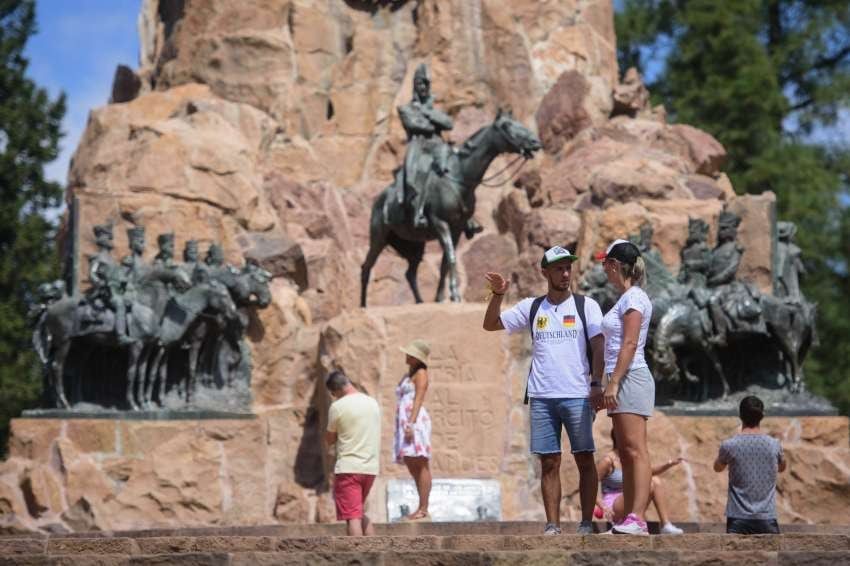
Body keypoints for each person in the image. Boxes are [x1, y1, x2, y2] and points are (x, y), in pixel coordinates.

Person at [483, 245, 604, 535]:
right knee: (549, 461)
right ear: (545, 272)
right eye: (558, 269)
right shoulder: (533, 307)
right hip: (542, 396)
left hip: (577, 394)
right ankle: (552, 526)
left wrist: (597, 383)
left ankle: (586, 523)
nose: (565, 274)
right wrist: (498, 295)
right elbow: (490, 324)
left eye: (568, 268)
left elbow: (599, 346)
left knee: (584, 457)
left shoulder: (586, 305)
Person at [599, 239, 655, 535]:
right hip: (622, 378)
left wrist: (614, 382)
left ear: (614, 265)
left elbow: (630, 343)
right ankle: (629, 518)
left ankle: (638, 518)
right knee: (627, 451)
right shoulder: (626, 297)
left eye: (605, 263)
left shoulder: (633, 297)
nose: (603, 269)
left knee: (636, 451)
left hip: (630, 377)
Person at [714, 395, 786, 534]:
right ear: (761, 416)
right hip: (767, 518)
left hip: (738, 519)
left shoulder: (729, 445)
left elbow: (717, 468)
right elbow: (782, 468)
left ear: (740, 416)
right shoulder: (774, 444)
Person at [595, 429, 684, 534]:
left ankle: (666, 525)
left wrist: (669, 464)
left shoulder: (631, 458)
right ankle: (631, 521)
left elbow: (648, 473)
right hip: (614, 506)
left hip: (628, 497)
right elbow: (591, 485)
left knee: (655, 480)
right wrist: (602, 506)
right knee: (650, 482)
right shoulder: (608, 461)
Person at [325, 370, 381, 536]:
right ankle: (374, 549)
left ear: (336, 390)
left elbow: (330, 439)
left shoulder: (337, 407)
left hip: (349, 468)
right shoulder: (372, 403)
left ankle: (357, 552)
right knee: (358, 512)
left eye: (333, 394)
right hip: (370, 468)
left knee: (352, 517)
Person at [394, 339, 433, 521]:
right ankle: (420, 504)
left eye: (410, 354)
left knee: (420, 461)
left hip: (415, 420)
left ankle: (423, 508)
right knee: (410, 460)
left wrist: (411, 423)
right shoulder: (408, 374)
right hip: (404, 420)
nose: (407, 356)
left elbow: (419, 398)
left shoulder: (421, 374)